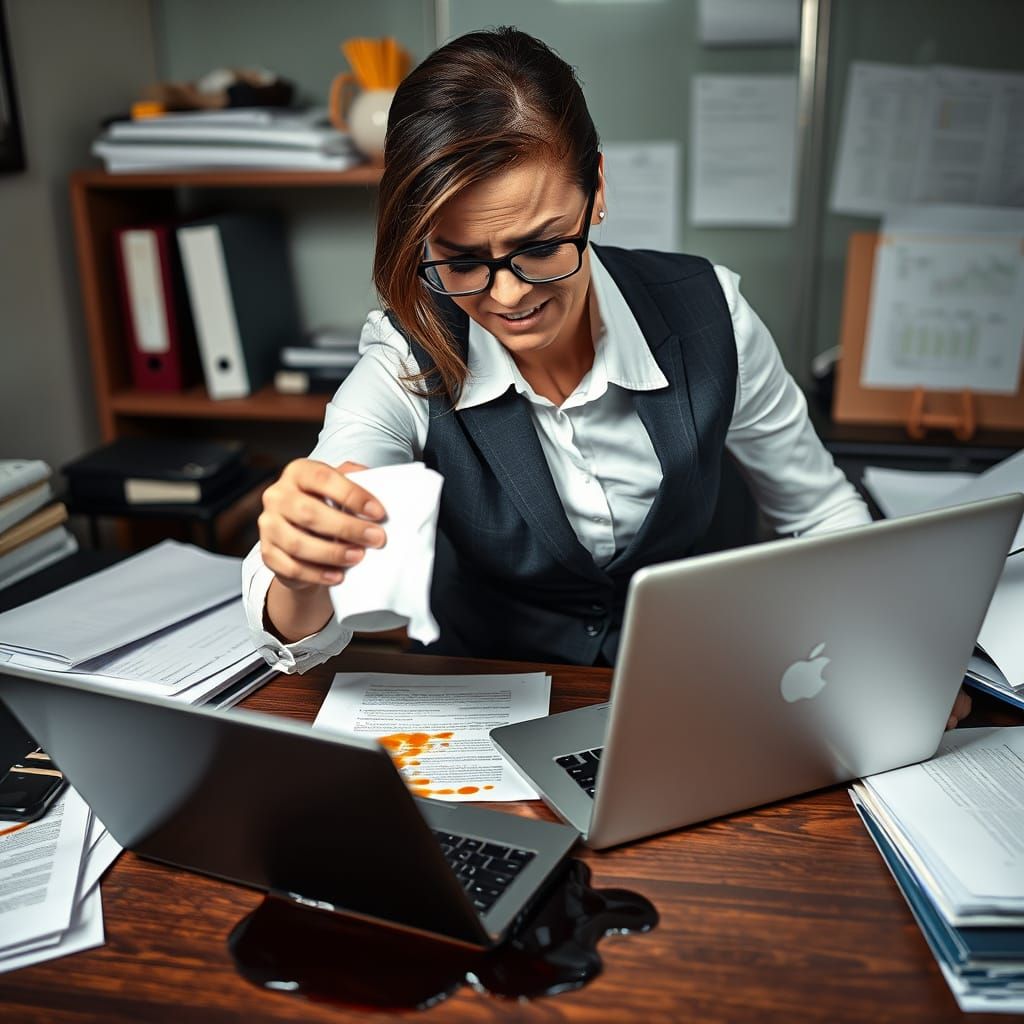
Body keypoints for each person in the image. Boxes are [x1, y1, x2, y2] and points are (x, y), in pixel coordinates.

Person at [243, 27, 972, 729]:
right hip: (491, 719)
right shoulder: (407, 354)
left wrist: (898, 659)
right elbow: (305, 637)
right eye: (461, 260)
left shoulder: (711, 312)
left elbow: (818, 514)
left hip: (695, 698)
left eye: (540, 247)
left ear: (596, 189)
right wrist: (298, 572)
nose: (506, 296)